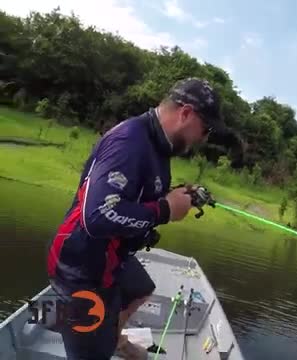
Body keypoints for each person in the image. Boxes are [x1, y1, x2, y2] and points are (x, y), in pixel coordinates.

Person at [46, 77, 229, 359]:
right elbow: (97, 216)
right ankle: (103, 342)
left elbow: (137, 194)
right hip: (81, 270)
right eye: (205, 130)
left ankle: (114, 339)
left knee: (141, 288)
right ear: (185, 114)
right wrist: (165, 210)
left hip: (111, 256)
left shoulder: (158, 145)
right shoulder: (129, 141)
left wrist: (180, 195)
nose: (204, 139)